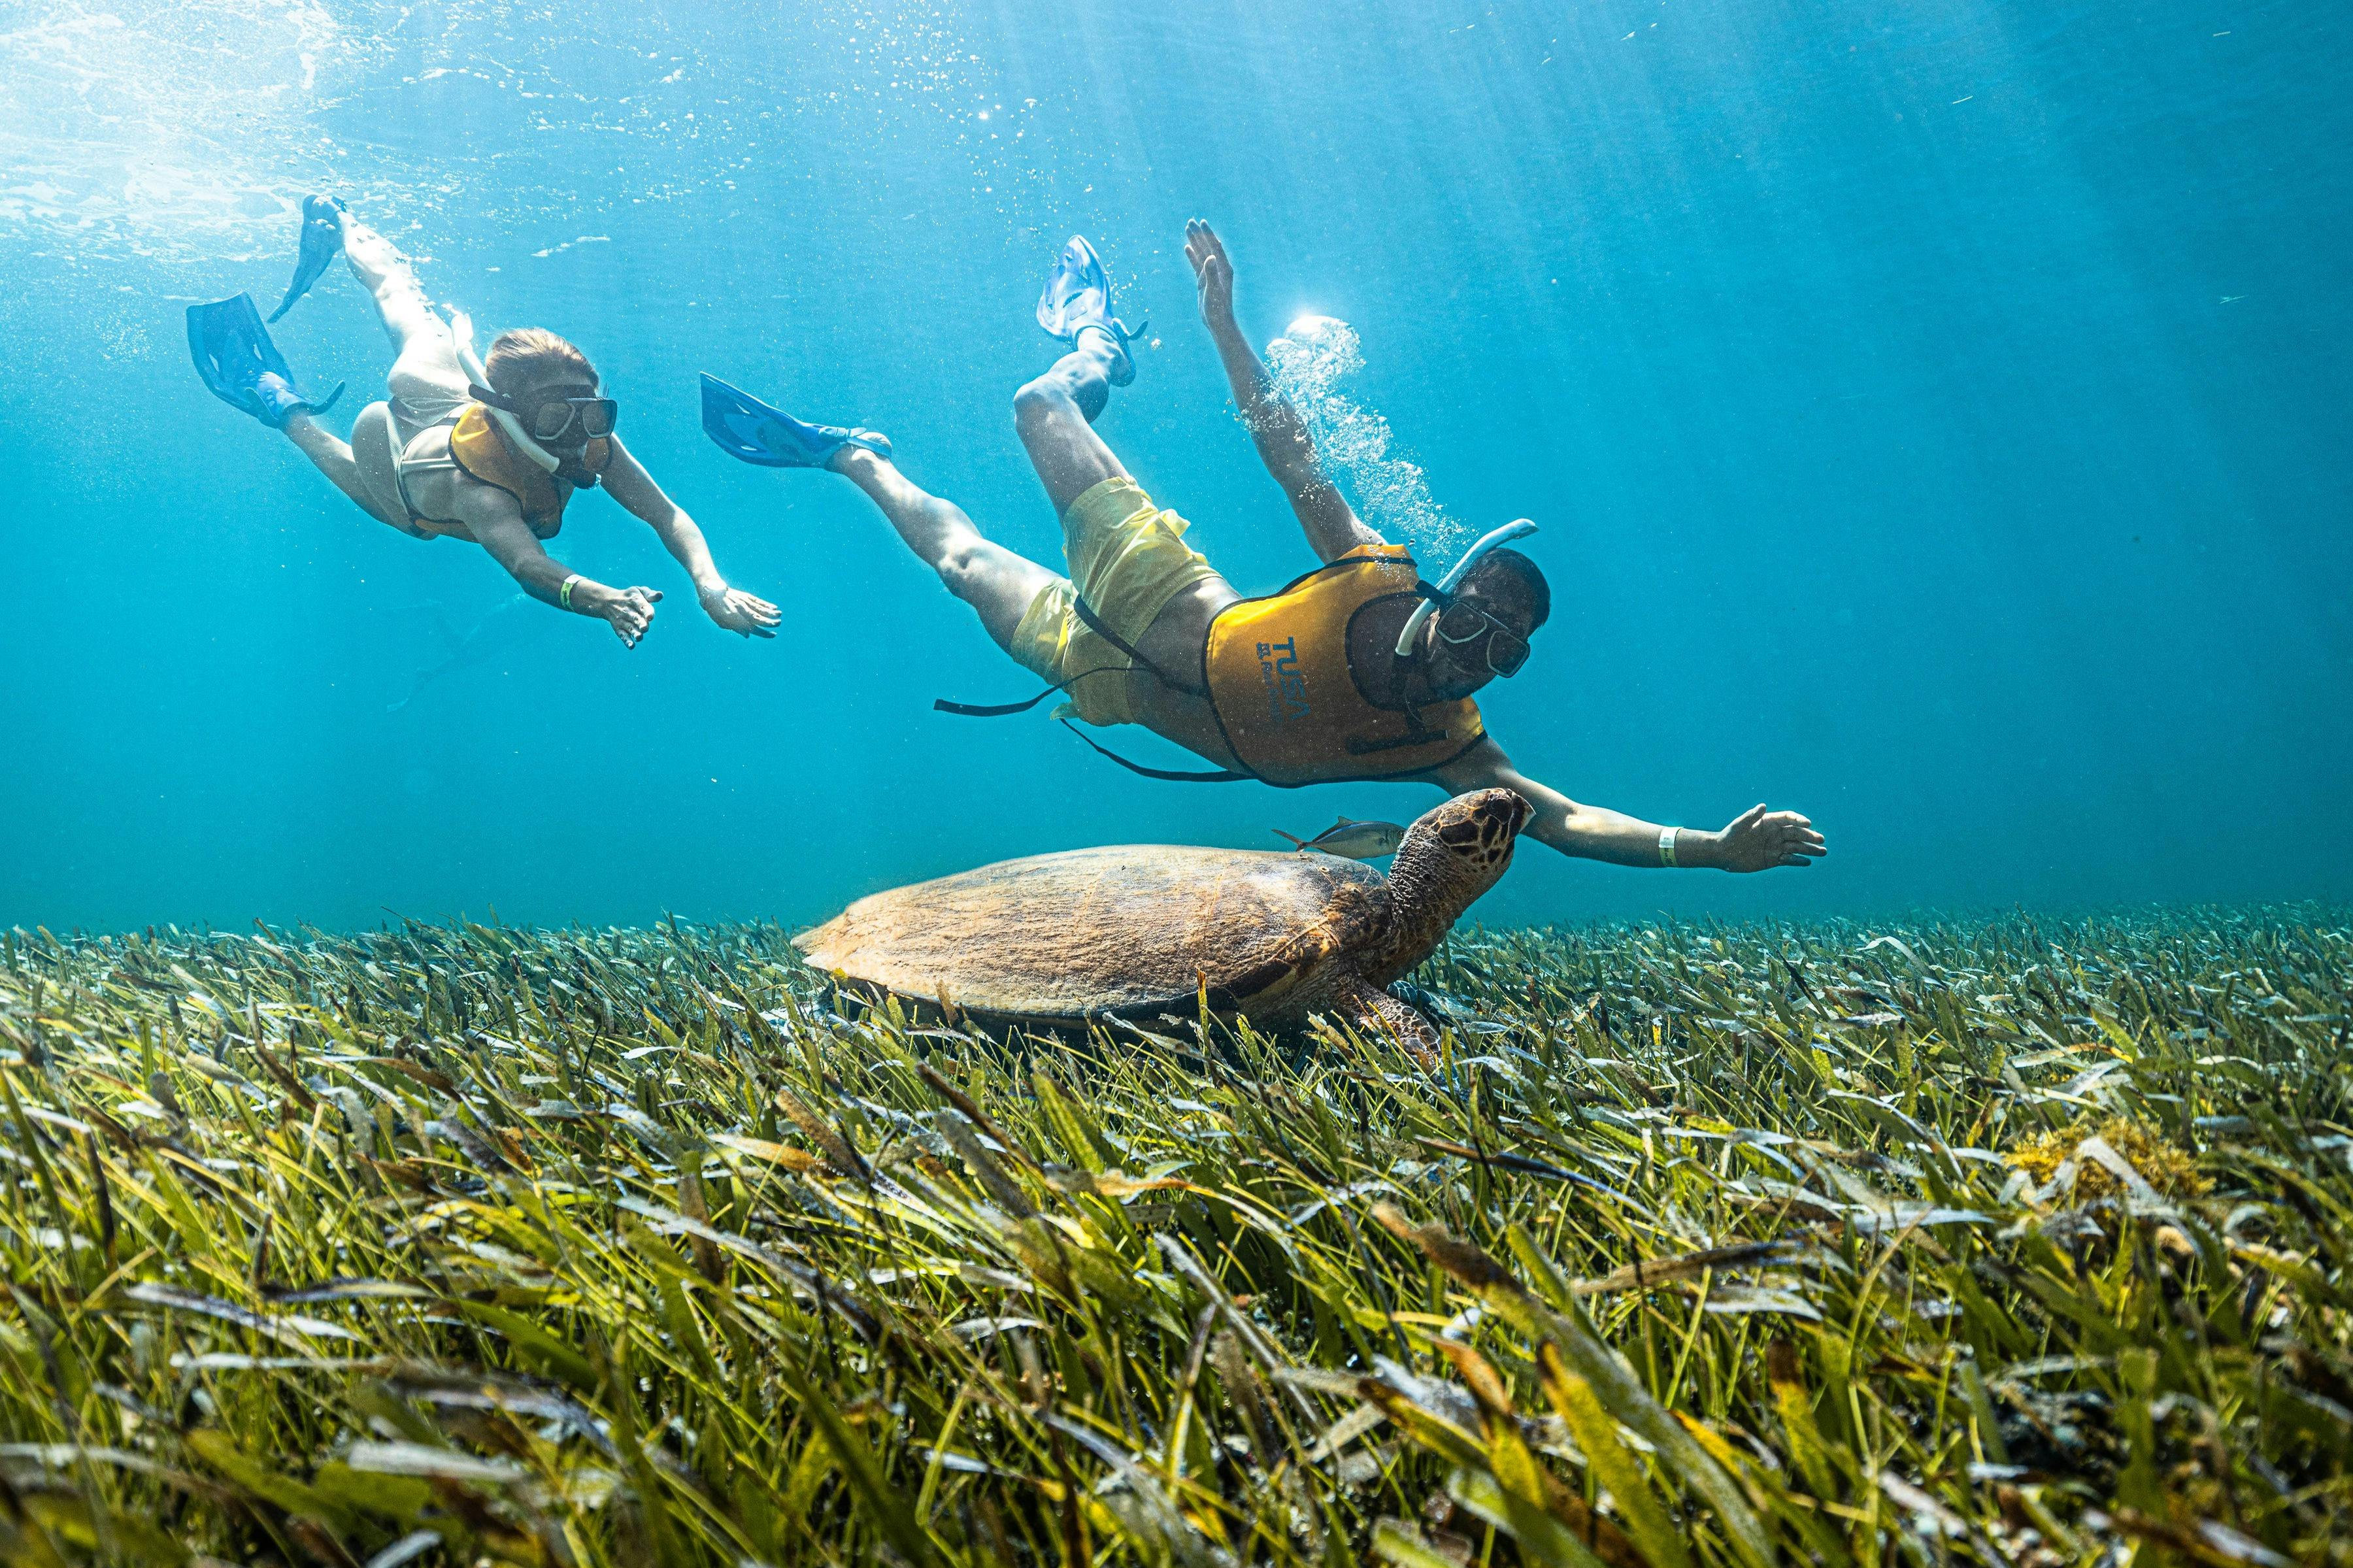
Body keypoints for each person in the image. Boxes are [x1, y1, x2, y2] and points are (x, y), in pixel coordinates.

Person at [700, 222, 1825, 874]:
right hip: (1157, 581)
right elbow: (1295, 457)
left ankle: (855, 458)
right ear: (1448, 582)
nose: (1477, 646)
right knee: (1039, 404)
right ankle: (1101, 343)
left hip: (1112, 682)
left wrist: (1707, 849)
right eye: (1479, 607)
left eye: (1507, 648)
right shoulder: (1374, 572)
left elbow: (1566, 819)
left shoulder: (1445, 741)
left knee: (959, 571)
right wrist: (1225, 329)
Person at [188, 197, 778, 647]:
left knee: (404, 300)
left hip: (442, 389)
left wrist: (711, 584)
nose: (580, 433)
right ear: (512, 410)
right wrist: (603, 601)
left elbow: (665, 514)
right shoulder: (480, 493)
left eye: (593, 411)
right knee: (364, 476)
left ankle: (339, 219)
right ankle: (283, 406)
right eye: (558, 416)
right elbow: (528, 566)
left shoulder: (584, 433)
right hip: (404, 471)